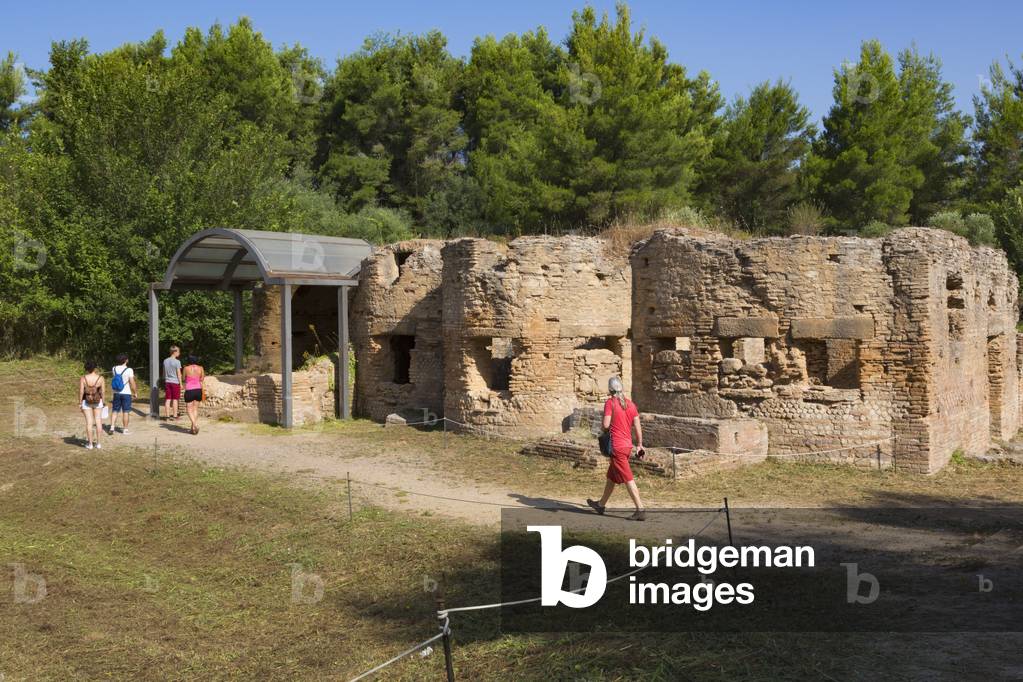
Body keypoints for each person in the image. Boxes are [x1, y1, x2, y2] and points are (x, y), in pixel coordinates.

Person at [588, 377, 646, 521]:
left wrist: (602, 430)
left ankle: (640, 509)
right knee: (612, 477)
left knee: (628, 478)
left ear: (610, 390)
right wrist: (639, 444)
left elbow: (606, 425)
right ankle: (600, 505)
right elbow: (637, 426)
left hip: (617, 447)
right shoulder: (631, 404)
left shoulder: (610, 403)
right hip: (627, 446)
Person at [108, 353, 137, 435]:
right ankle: (125, 430)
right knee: (126, 411)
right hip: (126, 393)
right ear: (126, 360)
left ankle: (112, 427)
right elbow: (132, 382)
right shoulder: (129, 370)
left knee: (115, 410)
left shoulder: (114, 368)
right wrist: (135, 392)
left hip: (116, 392)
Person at [79, 361, 105, 449]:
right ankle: (98, 444)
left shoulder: (83, 378)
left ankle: (90, 444)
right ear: (95, 368)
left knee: (89, 423)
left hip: (86, 401)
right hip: (98, 401)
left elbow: (81, 391)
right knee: (98, 421)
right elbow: (103, 391)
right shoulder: (101, 378)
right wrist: (103, 402)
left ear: (87, 368)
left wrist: (80, 403)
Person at [182, 355, 205, 435]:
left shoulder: (186, 368)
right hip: (198, 389)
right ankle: (193, 428)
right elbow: (202, 379)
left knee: (189, 409)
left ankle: (195, 424)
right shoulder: (201, 368)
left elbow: (183, 379)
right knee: (195, 409)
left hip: (189, 390)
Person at [163, 345, 183, 421]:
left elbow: (164, 373)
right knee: (175, 399)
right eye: (178, 351)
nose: (179, 353)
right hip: (175, 382)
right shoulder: (177, 362)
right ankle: (175, 416)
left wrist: (165, 379)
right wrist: (181, 384)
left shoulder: (165, 361)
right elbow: (179, 374)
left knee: (168, 399)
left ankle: (167, 417)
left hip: (167, 382)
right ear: (174, 352)